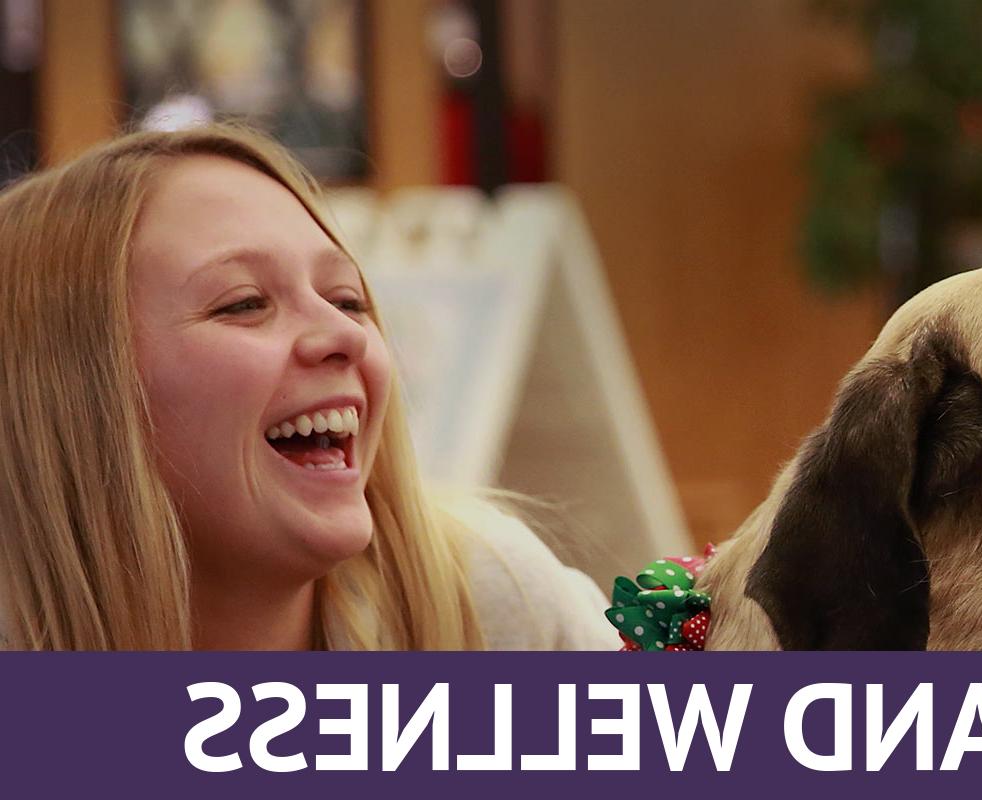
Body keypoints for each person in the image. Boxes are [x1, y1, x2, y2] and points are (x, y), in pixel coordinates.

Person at [0, 126, 617, 650]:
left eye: (347, 298)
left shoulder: (487, 602)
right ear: (72, 395)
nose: (342, 334)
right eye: (244, 303)